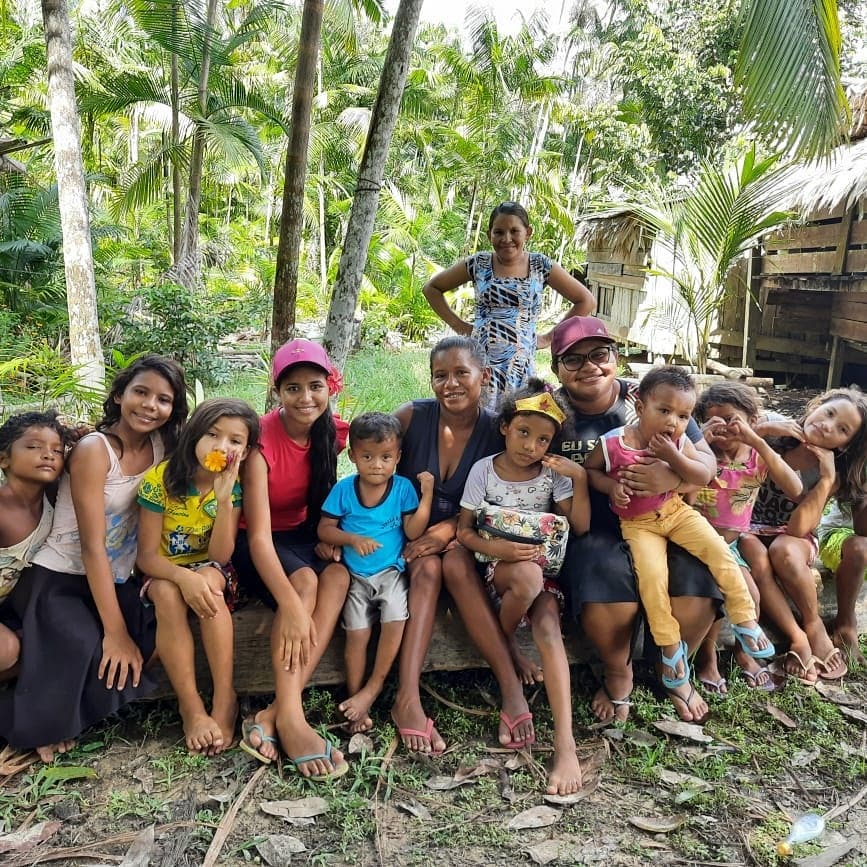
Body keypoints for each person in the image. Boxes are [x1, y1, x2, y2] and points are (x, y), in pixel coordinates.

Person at [0, 356, 188, 762]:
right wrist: (114, 631)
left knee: (154, 634)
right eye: (140, 392)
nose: (149, 406)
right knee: (88, 642)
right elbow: (91, 547)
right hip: (60, 575)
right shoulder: (93, 450)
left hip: (117, 575)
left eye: (163, 399)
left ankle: (63, 707)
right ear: (120, 395)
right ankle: (40, 723)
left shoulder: (163, 445)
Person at [548, 316, 721, 724]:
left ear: (616, 357)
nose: (588, 366)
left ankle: (672, 666)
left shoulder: (652, 397)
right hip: (595, 527)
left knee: (697, 572)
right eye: (572, 359)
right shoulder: (552, 410)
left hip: (665, 517)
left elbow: (707, 463)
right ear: (556, 368)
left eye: (599, 354)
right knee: (602, 572)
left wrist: (672, 475)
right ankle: (617, 670)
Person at [584, 368, 776, 716]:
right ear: (640, 405)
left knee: (720, 554)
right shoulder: (613, 442)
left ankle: (745, 619)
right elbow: (591, 470)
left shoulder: (679, 442)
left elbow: (703, 473)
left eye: (684, 415)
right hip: (638, 525)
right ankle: (670, 647)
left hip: (676, 512)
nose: (673, 421)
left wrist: (673, 458)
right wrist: (611, 487)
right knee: (652, 580)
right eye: (665, 410)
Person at [391, 336, 536, 757]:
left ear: (483, 377)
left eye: (461, 373)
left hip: (472, 536)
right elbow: (370, 464)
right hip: (409, 536)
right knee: (430, 567)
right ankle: (407, 698)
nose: (450, 384)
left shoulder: (498, 430)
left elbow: (501, 498)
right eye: (440, 375)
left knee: (453, 562)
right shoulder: (412, 417)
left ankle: (510, 687)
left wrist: (449, 529)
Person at [458, 379, 589, 795]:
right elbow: (464, 532)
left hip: (544, 575)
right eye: (523, 433)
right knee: (528, 577)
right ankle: (510, 649)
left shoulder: (553, 478)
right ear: (505, 428)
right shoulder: (484, 470)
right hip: (500, 570)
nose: (530, 445)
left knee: (549, 628)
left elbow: (579, 526)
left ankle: (565, 744)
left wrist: (580, 479)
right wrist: (500, 549)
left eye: (542, 439)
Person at [233, 338, 350, 780]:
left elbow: (385, 440)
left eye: (315, 386)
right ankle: (294, 720)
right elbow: (259, 537)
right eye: (293, 388)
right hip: (255, 541)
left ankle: (276, 712)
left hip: (302, 535)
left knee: (337, 576)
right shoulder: (260, 443)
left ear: (330, 387)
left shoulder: (332, 432)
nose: (306, 398)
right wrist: (291, 606)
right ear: (277, 391)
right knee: (304, 584)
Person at [137, 398, 258, 756]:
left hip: (211, 571)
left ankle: (224, 698)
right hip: (164, 571)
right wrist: (182, 578)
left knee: (207, 579)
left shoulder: (231, 487)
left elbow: (221, 556)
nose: (222, 447)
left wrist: (223, 501)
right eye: (213, 434)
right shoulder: (161, 479)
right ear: (194, 435)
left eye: (235, 441)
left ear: (246, 451)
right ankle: (190, 705)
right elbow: (146, 557)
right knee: (166, 592)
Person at [318, 413, 434, 734]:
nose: (377, 465)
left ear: (398, 456)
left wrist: (427, 497)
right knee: (357, 634)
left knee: (395, 617)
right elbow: (325, 529)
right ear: (353, 455)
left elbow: (413, 530)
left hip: (391, 573)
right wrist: (351, 539)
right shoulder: (344, 490)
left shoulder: (402, 489)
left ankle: (375, 686)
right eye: (367, 457)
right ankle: (356, 696)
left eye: (385, 457)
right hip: (354, 576)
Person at [422, 201, 595, 408]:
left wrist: (550, 337)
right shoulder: (479, 263)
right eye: (499, 232)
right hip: (481, 361)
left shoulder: (540, 265)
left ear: (528, 232)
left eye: (514, 231)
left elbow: (586, 300)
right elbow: (431, 289)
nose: (506, 239)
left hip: (520, 365)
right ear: (489, 235)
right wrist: (460, 327)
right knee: (478, 419)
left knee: (518, 420)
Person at [747, 388, 867, 683]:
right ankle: (796, 634)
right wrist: (763, 429)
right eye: (829, 413)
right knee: (758, 556)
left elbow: (798, 529)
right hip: (745, 527)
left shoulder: (832, 470)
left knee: (784, 549)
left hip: (790, 535)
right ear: (817, 405)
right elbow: (726, 432)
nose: (828, 426)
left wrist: (826, 481)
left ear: (846, 444)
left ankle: (813, 625)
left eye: (842, 430)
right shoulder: (774, 427)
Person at [690, 383, 803, 692]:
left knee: (750, 596)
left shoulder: (757, 456)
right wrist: (699, 437)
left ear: (752, 420)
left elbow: (794, 488)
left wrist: (757, 438)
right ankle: (708, 659)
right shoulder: (699, 454)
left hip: (731, 544)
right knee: (718, 594)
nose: (725, 430)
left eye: (732, 420)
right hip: (695, 543)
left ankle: (743, 654)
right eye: (714, 422)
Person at [0, 412, 71, 677]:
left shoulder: (52, 502)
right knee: (7, 650)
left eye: (57, 450)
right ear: (3, 458)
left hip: (9, 606)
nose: (48, 455)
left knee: (44, 646)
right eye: (33, 447)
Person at [817, 499, 867, 666]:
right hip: (841, 535)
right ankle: (845, 623)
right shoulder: (860, 473)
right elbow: (862, 529)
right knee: (861, 548)